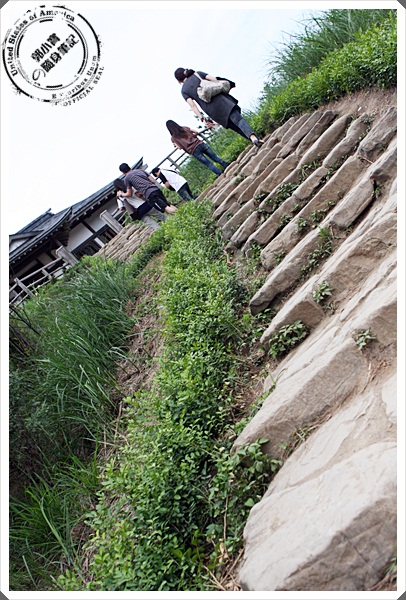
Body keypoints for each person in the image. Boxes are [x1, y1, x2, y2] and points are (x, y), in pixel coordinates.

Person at [174, 68, 264, 148]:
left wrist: (202, 119)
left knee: (235, 127)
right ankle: (254, 138)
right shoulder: (197, 74)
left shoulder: (184, 90)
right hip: (222, 101)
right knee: (239, 120)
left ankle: (256, 140)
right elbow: (214, 79)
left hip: (212, 111)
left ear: (179, 80)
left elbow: (193, 105)